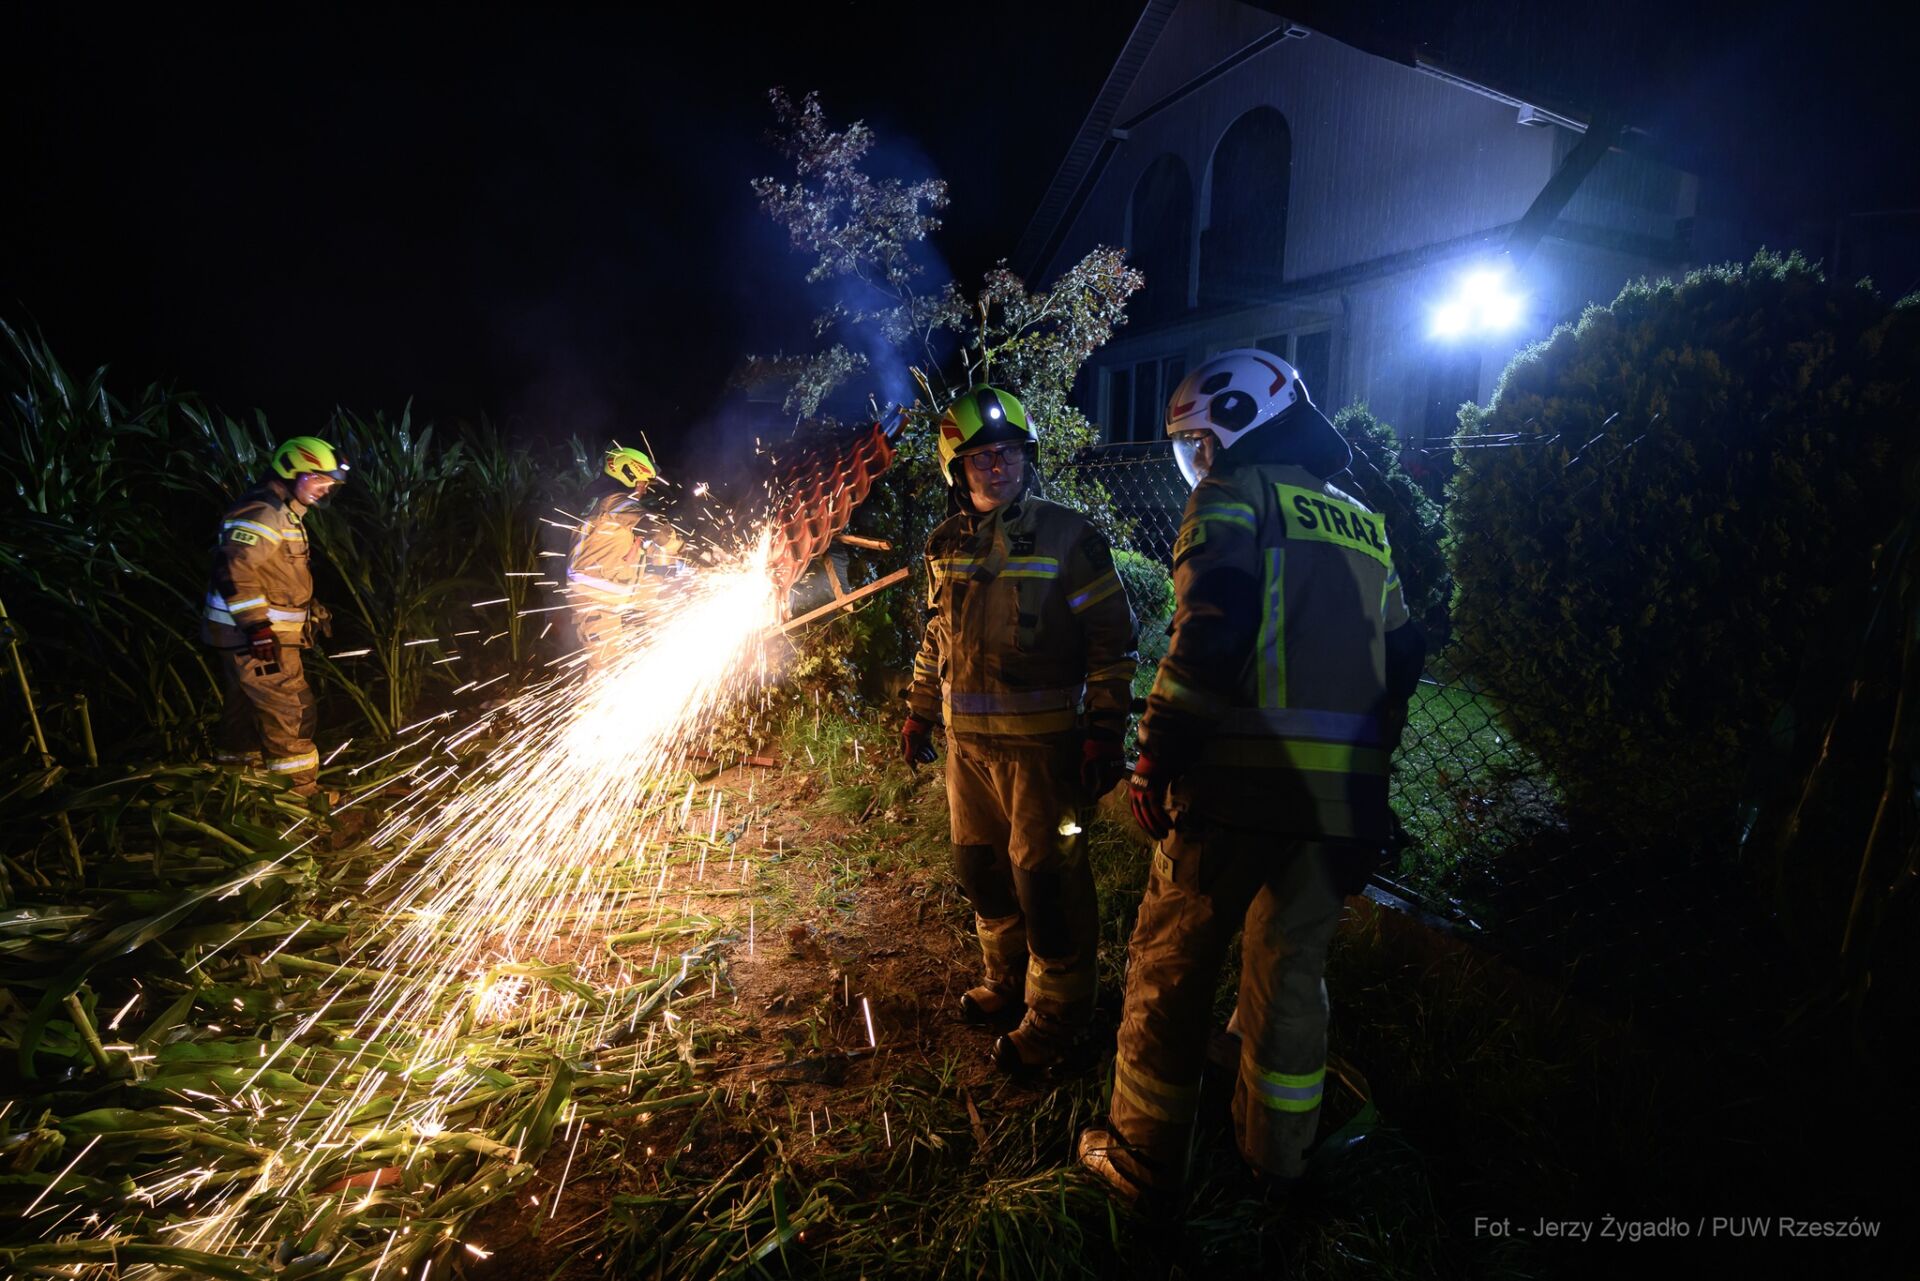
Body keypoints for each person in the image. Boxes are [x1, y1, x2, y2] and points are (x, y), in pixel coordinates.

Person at [1078, 350, 1426, 1202]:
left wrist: (1155, 755)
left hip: (1234, 790)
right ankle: (1277, 1158)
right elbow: (1405, 663)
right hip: (1338, 802)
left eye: (1200, 441)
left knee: (1171, 964)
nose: (1197, 461)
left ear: (1237, 419)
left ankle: (1140, 1156)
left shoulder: (1234, 497)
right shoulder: (1360, 519)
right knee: (1290, 974)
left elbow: (1208, 635)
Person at [901, 385, 1138, 1074]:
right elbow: (934, 636)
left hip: (1043, 753)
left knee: (1047, 882)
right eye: (981, 457)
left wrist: (1105, 730)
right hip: (968, 752)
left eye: (1007, 453)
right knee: (979, 871)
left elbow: (1112, 641)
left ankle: (1059, 1012)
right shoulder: (942, 544)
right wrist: (919, 711)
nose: (998, 465)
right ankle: (1006, 982)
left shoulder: (1071, 536)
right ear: (957, 468)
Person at [202, 435, 349, 798]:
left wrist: (307, 607)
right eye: (318, 479)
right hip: (254, 639)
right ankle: (300, 799)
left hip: (245, 637)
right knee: (290, 709)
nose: (324, 489)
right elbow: (235, 568)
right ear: (290, 470)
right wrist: (258, 627)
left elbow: (275, 573)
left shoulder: (283, 512)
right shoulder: (263, 511)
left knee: (244, 711)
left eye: (329, 484)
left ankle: (237, 787)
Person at [565, 444, 683, 672]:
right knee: (606, 670)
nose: (644, 489)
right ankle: (591, 707)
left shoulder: (605, 504)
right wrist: (681, 547)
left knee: (662, 584)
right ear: (627, 474)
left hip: (607, 587)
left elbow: (646, 545)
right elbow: (655, 528)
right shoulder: (615, 501)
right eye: (643, 483)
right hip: (596, 595)